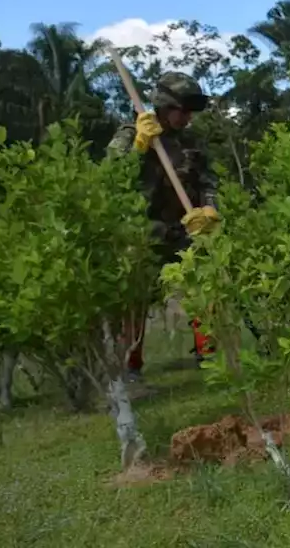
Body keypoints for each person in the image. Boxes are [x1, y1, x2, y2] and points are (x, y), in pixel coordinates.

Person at [107, 72, 222, 380]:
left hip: (185, 227)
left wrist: (210, 209)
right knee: (136, 299)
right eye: (180, 110)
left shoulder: (190, 142)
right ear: (163, 105)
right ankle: (131, 366)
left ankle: (208, 356)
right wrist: (139, 149)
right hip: (143, 231)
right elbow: (113, 178)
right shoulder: (131, 134)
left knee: (203, 290)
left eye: (190, 112)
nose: (186, 118)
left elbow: (208, 180)